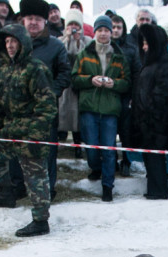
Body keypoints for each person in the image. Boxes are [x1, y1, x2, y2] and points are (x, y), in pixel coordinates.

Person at [0, 24, 57, 237]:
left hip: (31, 134)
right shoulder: (3, 70)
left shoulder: (37, 69)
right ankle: (7, 193)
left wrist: (33, 135)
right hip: (9, 131)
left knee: (35, 176)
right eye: (6, 42)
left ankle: (40, 221)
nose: (10, 46)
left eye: (13, 41)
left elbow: (47, 107)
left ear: (23, 42)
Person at [71, 15, 130, 202]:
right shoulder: (84, 54)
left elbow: (127, 82)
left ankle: (107, 186)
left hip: (110, 110)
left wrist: (114, 84)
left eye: (106, 30)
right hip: (89, 107)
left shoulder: (119, 56)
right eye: (100, 30)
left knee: (109, 148)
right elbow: (74, 79)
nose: (103, 34)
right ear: (95, 32)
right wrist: (90, 80)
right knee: (92, 148)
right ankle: (95, 167)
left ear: (111, 33)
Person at [15, 0, 69, 200]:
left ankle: (48, 190)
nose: (33, 23)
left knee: (47, 151)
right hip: (18, 110)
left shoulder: (55, 46)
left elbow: (64, 73)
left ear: (45, 21)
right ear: (23, 20)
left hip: (45, 111)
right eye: (30, 19)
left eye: (38, 19)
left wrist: (50, 94)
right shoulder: (14, 44)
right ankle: (19, 187)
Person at [131, 23, 168, 200]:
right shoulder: (150, 62)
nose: (144, 47)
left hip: (157, 122)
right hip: (146, 122)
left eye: (147, 43)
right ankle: (155, 189)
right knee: (150, 158)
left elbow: (163, 95)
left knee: (155, 157)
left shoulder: (165, 63)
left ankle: (159, 191)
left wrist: (149, 115)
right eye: (142, 43)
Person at [57, 8, 88, 159]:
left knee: (77, 117)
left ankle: (77, 146)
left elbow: (83, 57)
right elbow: (60, 56)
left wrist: (76, 41)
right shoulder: (59, 40)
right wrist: (68, 39)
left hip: (78, 85)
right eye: (70, 24)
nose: (73, 27)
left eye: (76, 24)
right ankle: (57, 143)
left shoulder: (86, 41)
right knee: (61, 114)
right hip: (64, 85)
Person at [111, 13, 140, 176]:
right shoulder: (103, 46)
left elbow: (137, 73)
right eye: (113, 27)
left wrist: (134, 96)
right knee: (109, 131)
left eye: (118, 27)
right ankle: (112, 159)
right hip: (108, 95)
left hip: (125, 96)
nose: (115, 30)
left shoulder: (131, 48)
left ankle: (127, 161)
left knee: (125, 131)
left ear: (124, 29)